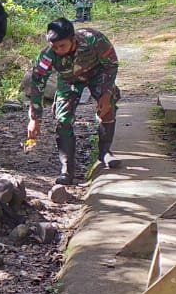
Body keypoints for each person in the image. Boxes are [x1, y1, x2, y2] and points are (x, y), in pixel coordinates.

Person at [25, 17, 121, 185]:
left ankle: (105, 152)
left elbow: (111, 64)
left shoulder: (94, 40)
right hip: (69, 81)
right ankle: (67, 170)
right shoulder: (48, 55)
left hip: (97, 74)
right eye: (54, 46)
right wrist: (34, 119)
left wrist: (106, 93)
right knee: (63, 120)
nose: (58, 50)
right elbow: (37, 84)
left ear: (73, 39)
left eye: (62, 45)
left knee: (108, 106)